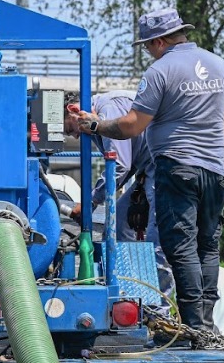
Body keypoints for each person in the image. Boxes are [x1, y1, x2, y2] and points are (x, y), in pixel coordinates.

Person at [68, 8, 224, 336]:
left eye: (148, 45)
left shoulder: (160, 71)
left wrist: (96, 124)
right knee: (207, 245)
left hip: (178, 168)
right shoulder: (222, 66)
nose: (148, 51)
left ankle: (189, 326)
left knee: (180, 246)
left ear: (160, 41)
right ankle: (206, 326)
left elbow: (133, 126)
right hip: (216, 170)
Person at [65, 90, 174, 304]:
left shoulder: (108, 110)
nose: (75, 136)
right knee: (118, 229)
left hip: (162, 165)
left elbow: (119, 165)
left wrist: (90, 202)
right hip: (147, 167)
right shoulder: (97, 119)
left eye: (70, 128)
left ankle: (161, 309)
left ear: (74, 110)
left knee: (156, 240)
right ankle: (129, 295)